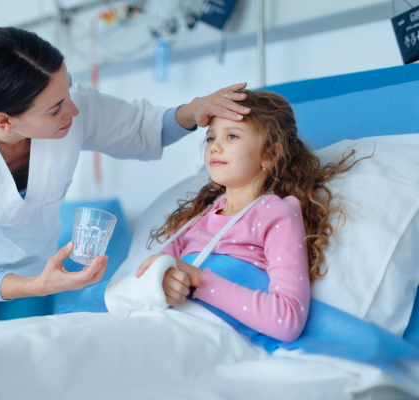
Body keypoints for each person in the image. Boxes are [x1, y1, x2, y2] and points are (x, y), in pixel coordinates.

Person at [0, 26, 252, 338]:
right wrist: (40, 285)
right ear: (4, 121)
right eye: (55, 109)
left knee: (26, 373)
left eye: (68, 91)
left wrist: (193, 110)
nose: (72, 110)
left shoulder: (71, 105)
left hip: (27, 260)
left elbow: (144, 129)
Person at [136, 89, 366, 343]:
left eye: (232, 136)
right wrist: (161, 282)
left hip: (209, 337)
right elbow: (147, 278)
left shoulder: (275, 213)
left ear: (270, 155)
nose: (215, 147)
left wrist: (196, 280)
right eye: (211, 138)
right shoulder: (194, 221)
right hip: (161, 325)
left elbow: (287, 321)